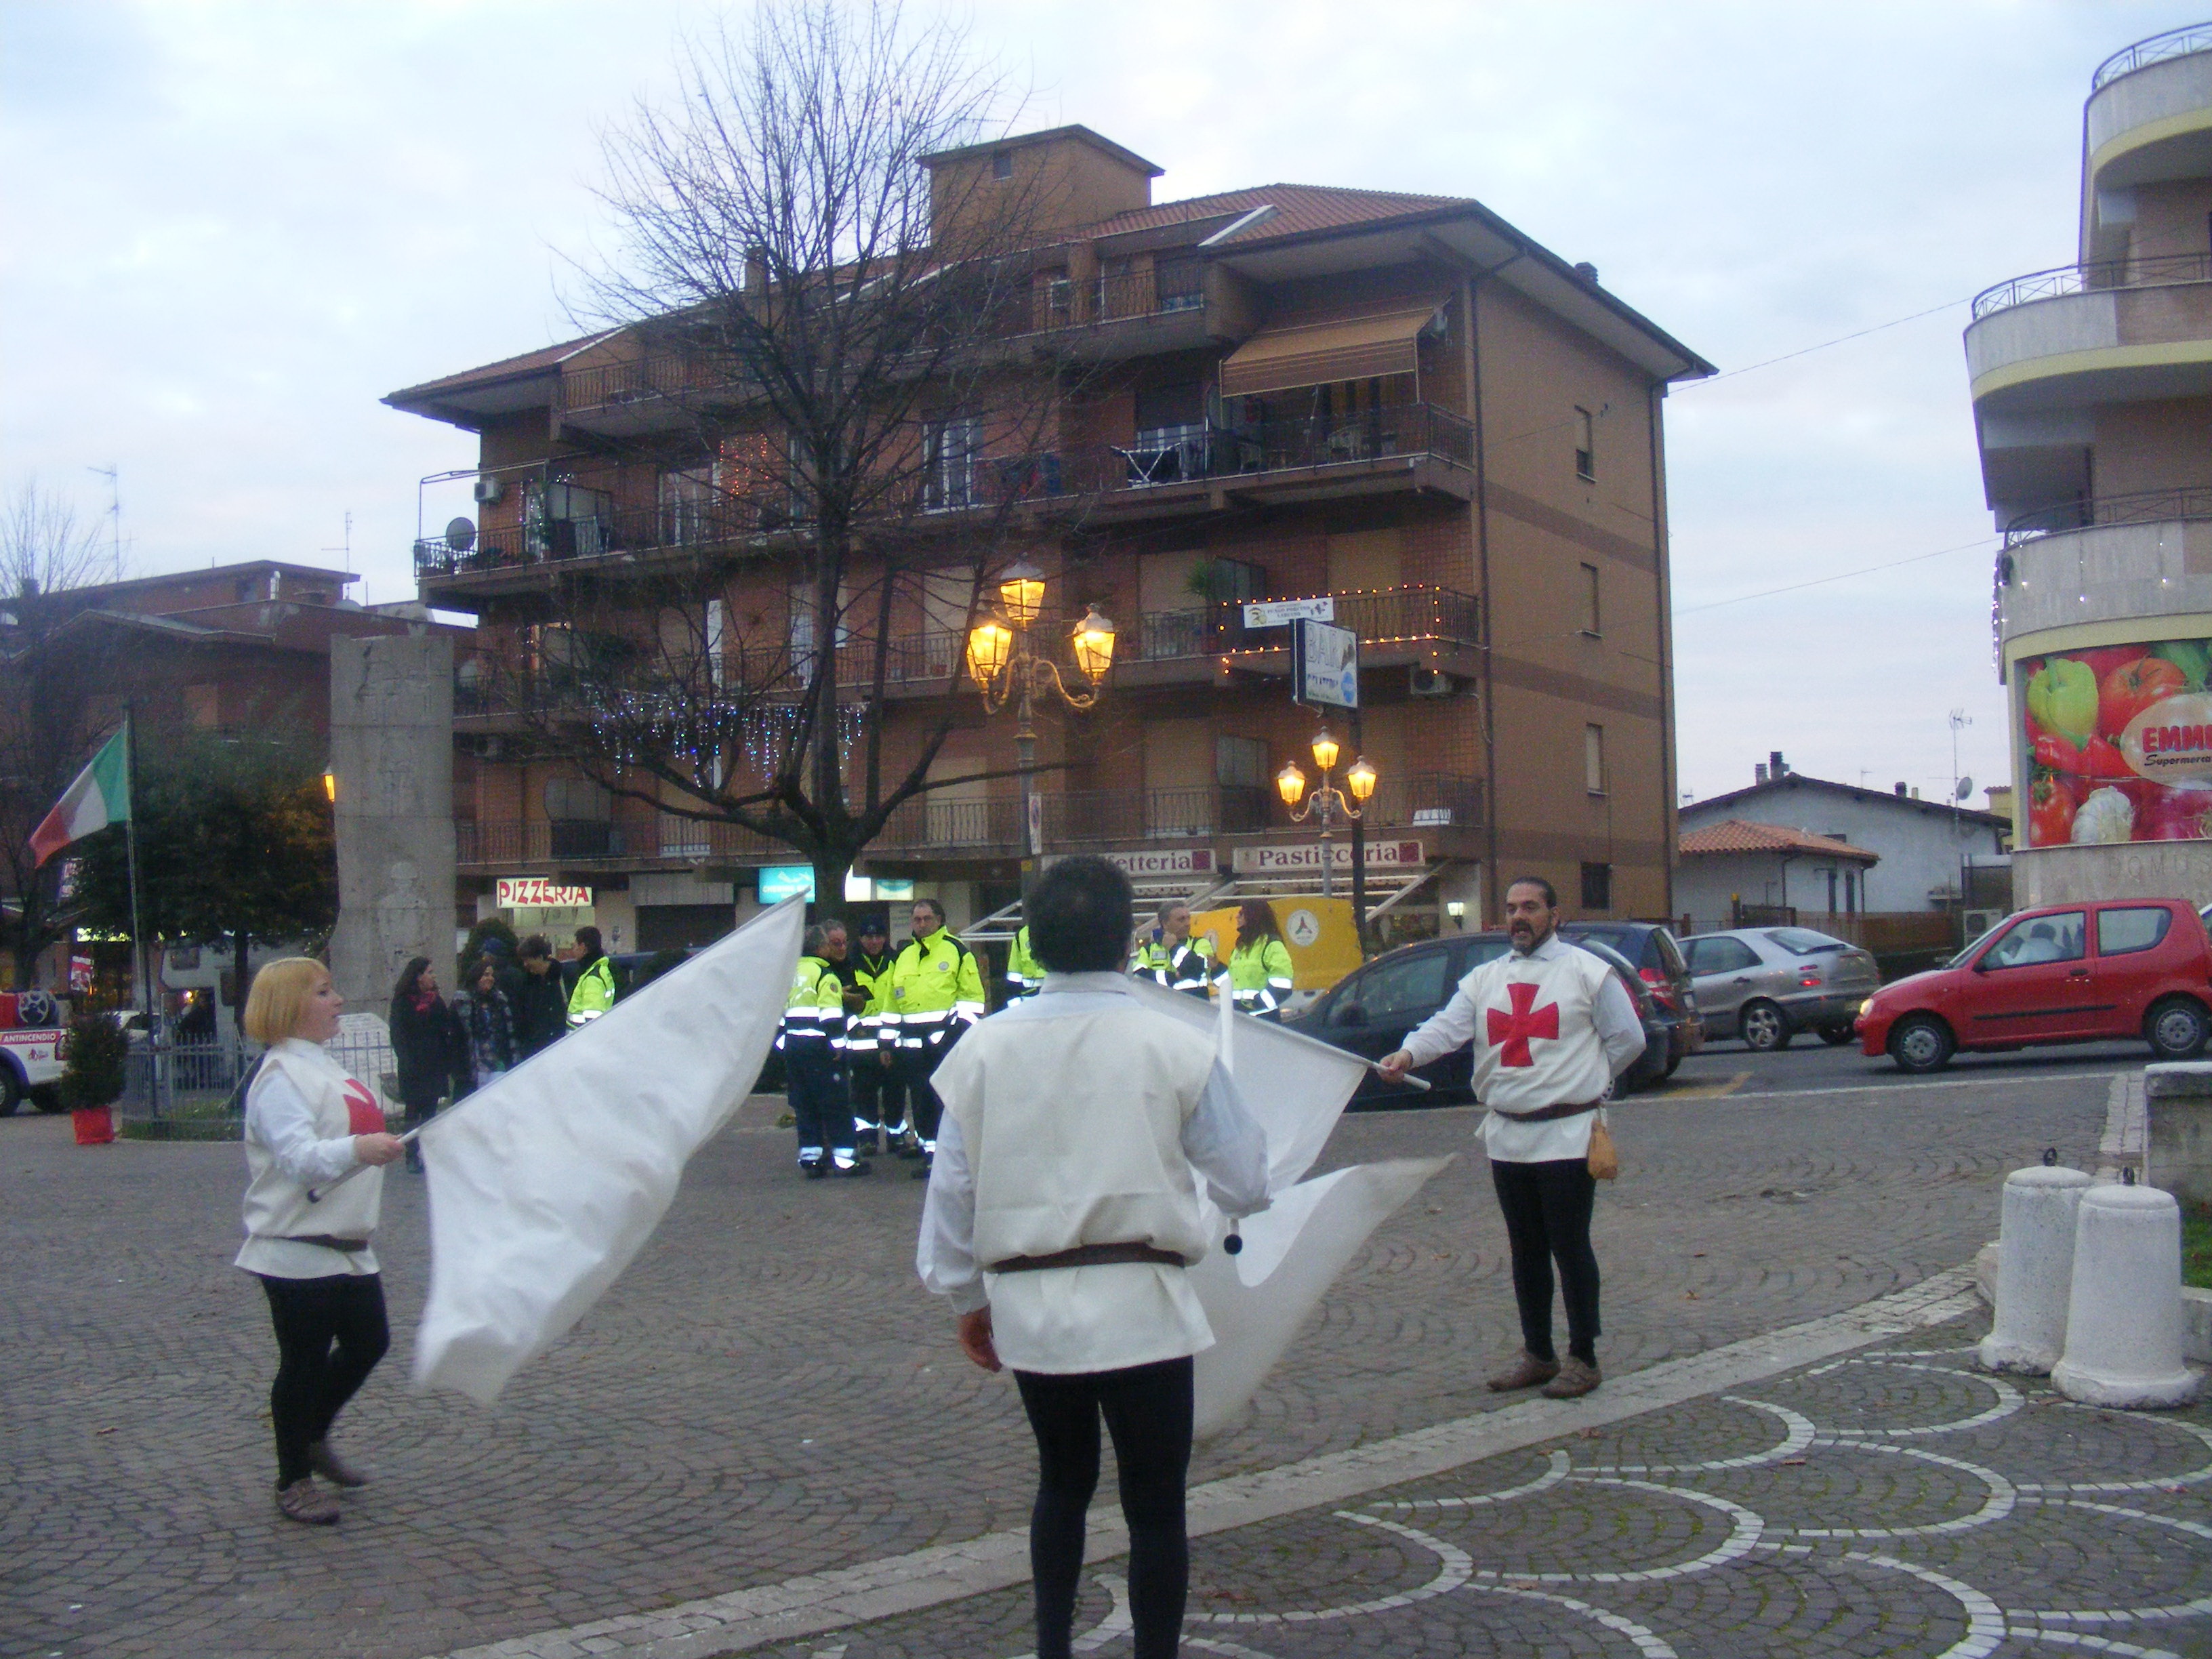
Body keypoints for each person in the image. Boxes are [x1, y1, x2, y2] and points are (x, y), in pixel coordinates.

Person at [918, 855, 1270, 1659]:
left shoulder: (981, 1051)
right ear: (1126, 944)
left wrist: (965, 1300)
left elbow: (952, 1191)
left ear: (1033, 944)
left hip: (1034, 1314)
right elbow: (1246, 1175)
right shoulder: (1171, 1042)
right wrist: (1217, 1208)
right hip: (1145, 1305)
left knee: (1062, 1484)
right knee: (1155, 1505)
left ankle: (1052, 1647)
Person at [1377, 876, 1647, 1400]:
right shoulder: (1485, 979)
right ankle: (1538, 1353)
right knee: (1525, 1251)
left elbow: (1628, 1038)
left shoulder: (1588, 972)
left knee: (1570, 1248)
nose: (1519, 916)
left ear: (1554, 914)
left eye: (1531, 907)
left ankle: (1584, 1356)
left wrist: (1592, 1084)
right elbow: (1447, 1027)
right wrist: (1409, 1054)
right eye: (1511, 908)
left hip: (1568, 1134)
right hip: (1507, 1133)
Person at [236, 957, 406, 1525]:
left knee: (369, 1343)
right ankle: (293, 1479)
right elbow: (299, 1160)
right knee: (303, 1365)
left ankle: (312, 1436)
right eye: (323, 991)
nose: (337, 1001)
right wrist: (362, 1150)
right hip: (296, 1247)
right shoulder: (281, 1077)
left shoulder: (327, 1070)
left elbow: (354, 1131)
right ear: (289, 1005)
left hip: (350, 1245)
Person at [887, 897, 985, 1175]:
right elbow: (890, 1003)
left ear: (939, 920)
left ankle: (950, 1155)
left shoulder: (956, 951)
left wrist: (955, 1034)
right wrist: (887, 1040)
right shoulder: (903, 956)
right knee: (920, 1100)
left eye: (926, 919)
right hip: (912, 1045)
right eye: (917, 920)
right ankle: (930, 1152)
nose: (921, 924)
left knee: (947, 1100)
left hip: (946, 1043)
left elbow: (973, 999)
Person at [779, 922, 867, 1178]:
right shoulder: (825, 975)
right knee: (835, 1105)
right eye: (829, 944)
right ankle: (846, 1160)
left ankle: (811, 1159)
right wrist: (838, 1046)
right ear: (820, 948)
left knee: (805, 1107)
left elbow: (779, 1016)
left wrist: (785, 1046)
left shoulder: (790, 974)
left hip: (794, 1049)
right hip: (820, 1051)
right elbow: (831, 1016)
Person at [388, 958, 464, 1174]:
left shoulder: (435, 1001)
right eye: (430, 972)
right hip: (413, 1065)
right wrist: (407, 1060)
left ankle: (428, 1154)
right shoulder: (403, 1002)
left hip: (434, 1064)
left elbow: (445, 1029)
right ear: (418, 976)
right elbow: (398, 1035)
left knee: (430, 1112)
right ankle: (412, 1154)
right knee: (413, 1112)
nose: (434, 976)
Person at [846, 918, 906, 1153]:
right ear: (860, 939)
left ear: (885, 938)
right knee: (864, 1094)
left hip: (890, 1040)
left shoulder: (896, 962)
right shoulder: (850, 965)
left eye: (878, 937)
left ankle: (895, 1134)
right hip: (860, 1042)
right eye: (868, 937)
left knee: (895, 1091)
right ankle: (868, 1137)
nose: (874, 942)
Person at [451, 954, 516, 1092]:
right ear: (476, 977)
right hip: (474, 1067)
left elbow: (508, 1034)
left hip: (498, 1064)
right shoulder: (462, 1003)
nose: (490, 978)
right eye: (485, 975)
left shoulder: (500, 1002)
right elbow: (456, 1037)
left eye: (492, 975)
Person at [1226, 899, 1294, 1021]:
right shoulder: (1240, 948)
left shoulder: (1272, 945)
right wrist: (1216, 967)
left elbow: (1282, 986)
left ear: (1253, 916)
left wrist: (1254, 1005)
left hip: (1264, 1020)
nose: (1237, 917)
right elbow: (1230, 981)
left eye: (1241, 913)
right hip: (1239, 1019)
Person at [1132, 899, 1212, 999]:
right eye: (1181, 920)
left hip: (1193, 1008)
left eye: (1188, 918)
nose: (1187, 923)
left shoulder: (1201, 944)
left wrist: (1174, 948)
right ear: (1165, 924)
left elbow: (1196, 970)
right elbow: (1138, 977)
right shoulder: (1149, 950)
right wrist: (1172, 977)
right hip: (1160, 1010)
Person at [510, 935, 569, 1058]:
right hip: (535, 1053)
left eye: (528, 959)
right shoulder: (525, 984)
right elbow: (521, 1018)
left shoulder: (565, 978)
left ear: (540, 957)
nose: (525, 964)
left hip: (562, 1047)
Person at [567, 926, 617, 1029]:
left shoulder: (593, 978)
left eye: (574, 946)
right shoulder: (601, 970)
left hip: (581, 1040)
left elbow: (593, 1021)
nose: (573, 951)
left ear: (583, 947)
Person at [1004, 923, 1044, 1002]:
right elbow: (1013, 979)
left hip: (1058, 1002)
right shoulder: (1021, 935)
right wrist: (1015, 1011)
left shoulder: (1062, 932)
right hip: (1029, 1004)